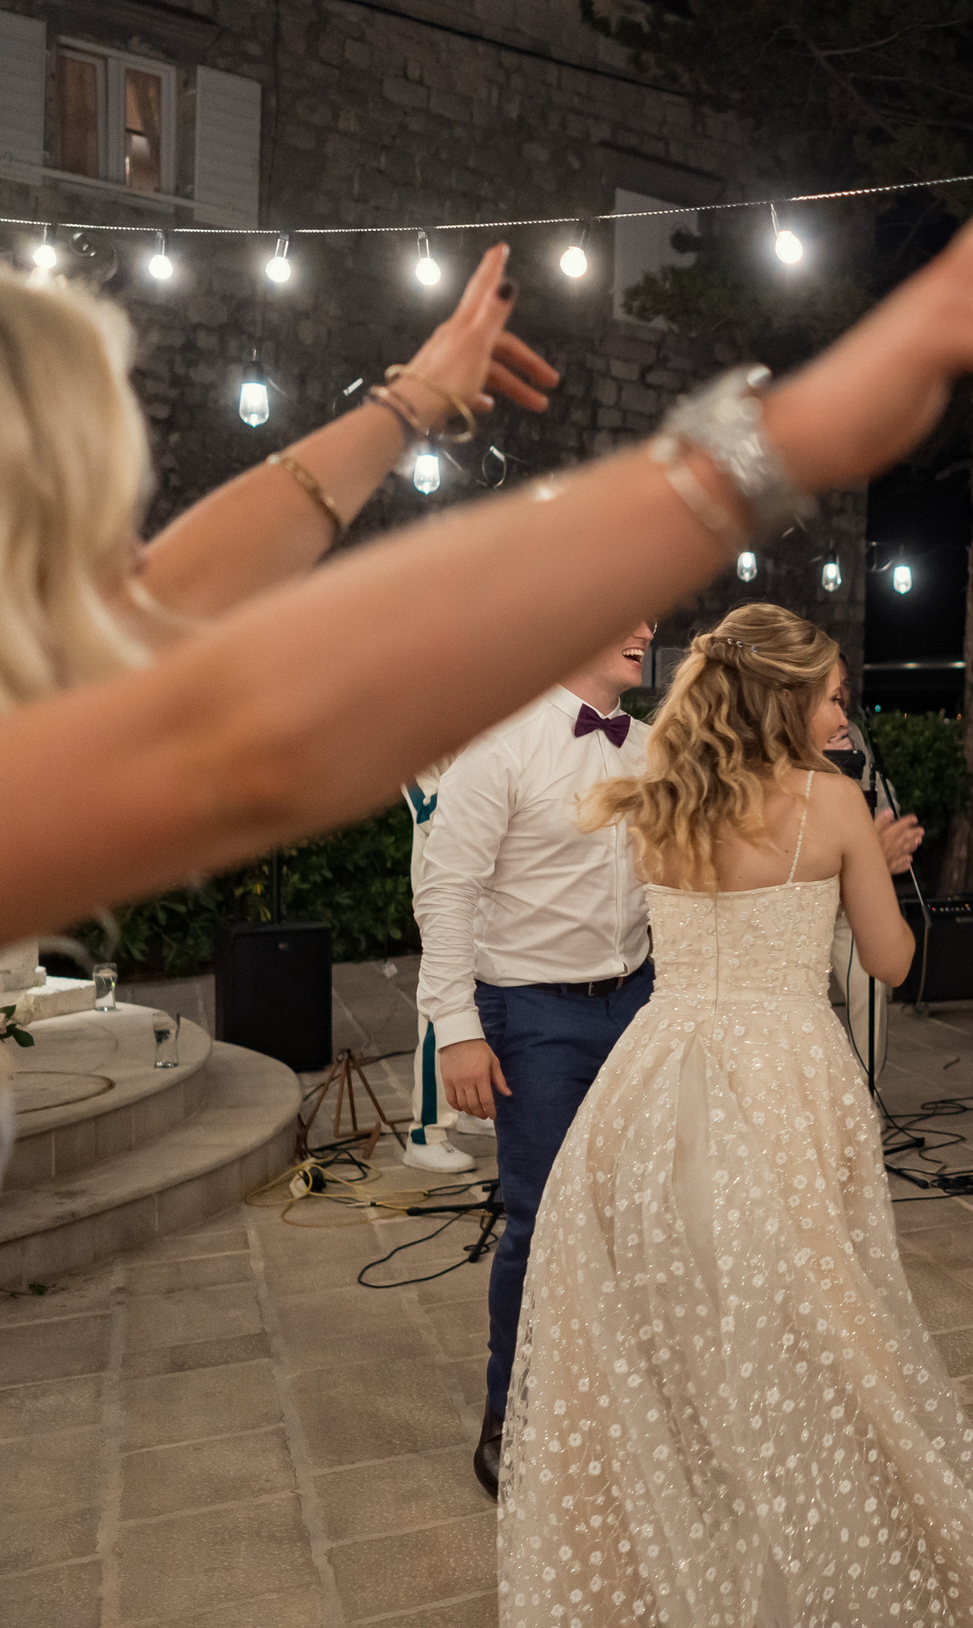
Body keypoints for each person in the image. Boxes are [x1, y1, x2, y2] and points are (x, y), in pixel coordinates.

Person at [0, 125, 973, 1628]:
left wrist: (399, 407)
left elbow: (169, 611)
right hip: (564, 1017)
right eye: (73, 512)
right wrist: (763, 448)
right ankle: (522, 1420)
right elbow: (243, 722)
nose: (113, 562)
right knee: (573, 1243)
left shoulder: (660, 766)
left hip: (654, 1015)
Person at [497, 605, 973, 1627]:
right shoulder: (833, 803)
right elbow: (893, 962)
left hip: (655, 1082)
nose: (843, 709)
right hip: (783, 1079)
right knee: (814, 1326)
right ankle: (787, 1559)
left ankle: (683, 1561)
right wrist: (887, 863)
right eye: (834, 693)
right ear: (789, 701)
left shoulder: (653, 800)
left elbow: (641, 935)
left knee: (671, 1334)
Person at [413, 623, 657, 1495]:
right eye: (625, 614)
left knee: (633, 1217)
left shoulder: (655, 746)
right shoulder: (502, 745)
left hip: (642, 1001)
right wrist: (459, 1027)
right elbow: (446, 890)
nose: (647, 629)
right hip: (530, 1014)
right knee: (542, 1221)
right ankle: (508, 1412)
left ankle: (616, 1403)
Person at [822, 678, 924, 1086]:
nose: (841, 701)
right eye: (830, 693)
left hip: (851, 901)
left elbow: (895, 963)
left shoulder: (856, 739)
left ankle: (867, 1095)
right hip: (803, 906)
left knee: (871, 992)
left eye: (841, 689)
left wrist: (884, 836)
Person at [398, 753, 494, 1173]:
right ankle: (426, 1133)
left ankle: (473, 1109)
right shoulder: (418, 731)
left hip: (493, 888)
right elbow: (427, 811)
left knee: (489, 996)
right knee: (444, 1007)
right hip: (446, 889)